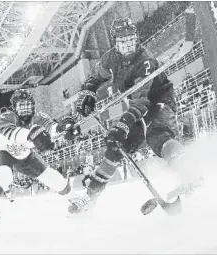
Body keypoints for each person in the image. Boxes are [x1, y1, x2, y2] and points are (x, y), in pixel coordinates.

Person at [68, 17, 184, 214]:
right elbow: (96, 76)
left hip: (157, 99)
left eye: (132, 40)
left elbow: (142, 101)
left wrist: (122, 125)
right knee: (116, 147)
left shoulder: (145, 60)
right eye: (123, 41)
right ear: (115, 42)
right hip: (138, 104)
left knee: (158, 135)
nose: (129, 45)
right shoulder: (110, 58)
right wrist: (88, 93)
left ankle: (188, 170)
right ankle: (90, 196)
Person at [0, 89, 77, 223]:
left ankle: (75, 199)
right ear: (14, 107)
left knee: (50, 175)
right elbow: (10, 132)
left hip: (25, 155)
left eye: (27, 104)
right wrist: (31, 135)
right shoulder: (6, 116)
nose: (25, 108)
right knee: (4, 174)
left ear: (33, 105)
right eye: (21, 105)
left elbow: (52, 128)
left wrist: (63, 128)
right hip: (2, 151)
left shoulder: (40, 117)